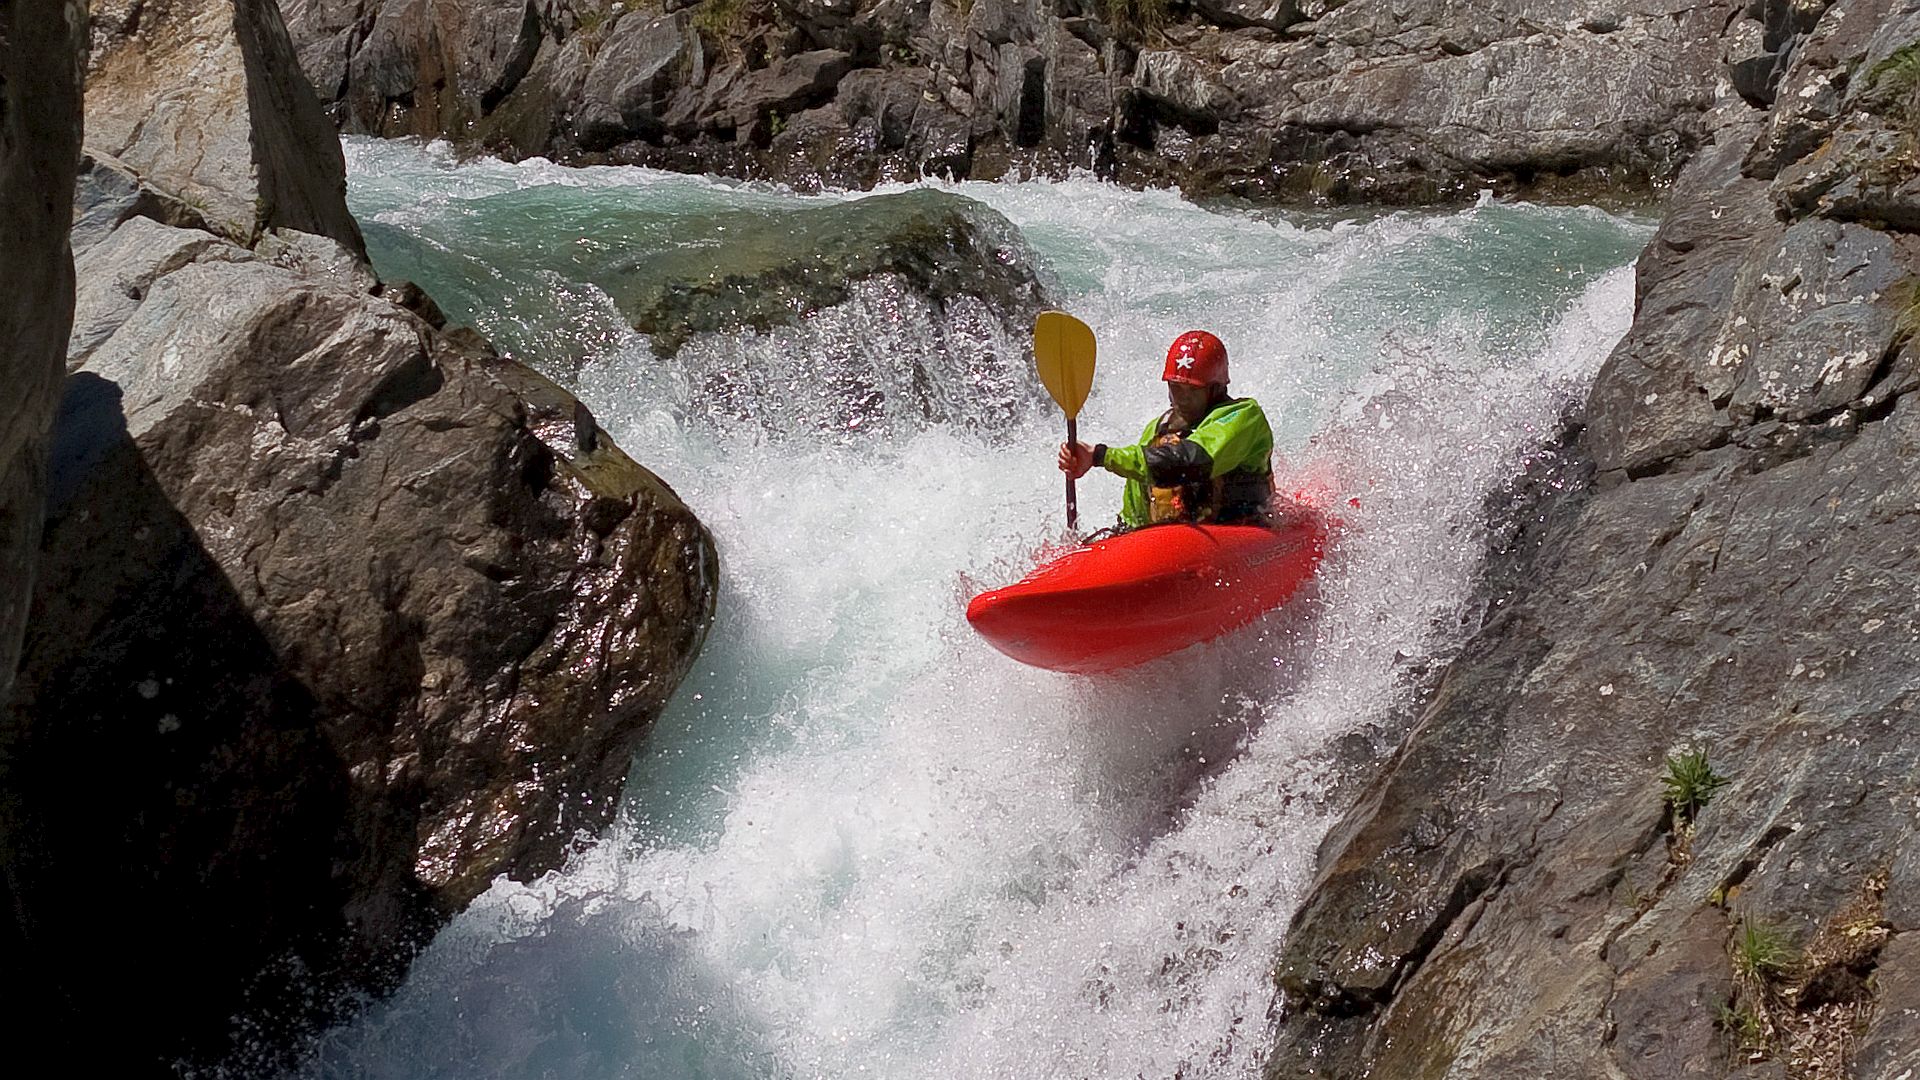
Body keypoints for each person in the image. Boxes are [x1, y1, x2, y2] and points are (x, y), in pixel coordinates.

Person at [1057, 330, 1274, 530]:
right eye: (1176, 388)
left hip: (1243, 529)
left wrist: (1100, 456)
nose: (1183, 399)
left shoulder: (1245, 417)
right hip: (1177, 541)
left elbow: (1189, 461)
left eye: (1193, 390)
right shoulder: (1158, 429)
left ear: (1215, 389)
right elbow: (1135, 511)